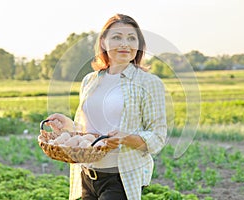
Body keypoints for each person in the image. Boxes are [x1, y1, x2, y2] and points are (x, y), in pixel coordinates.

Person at [46, 13, 167, 200]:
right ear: (103, 42)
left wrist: (125, 138)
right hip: (88, 175)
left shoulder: (148, 83)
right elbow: (90, 131)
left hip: (121, 178)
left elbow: (157, 138)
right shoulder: (90, 80)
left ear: (139, 45)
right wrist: (68, 127)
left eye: (131, 38)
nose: (125, 44)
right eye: (117, 37)